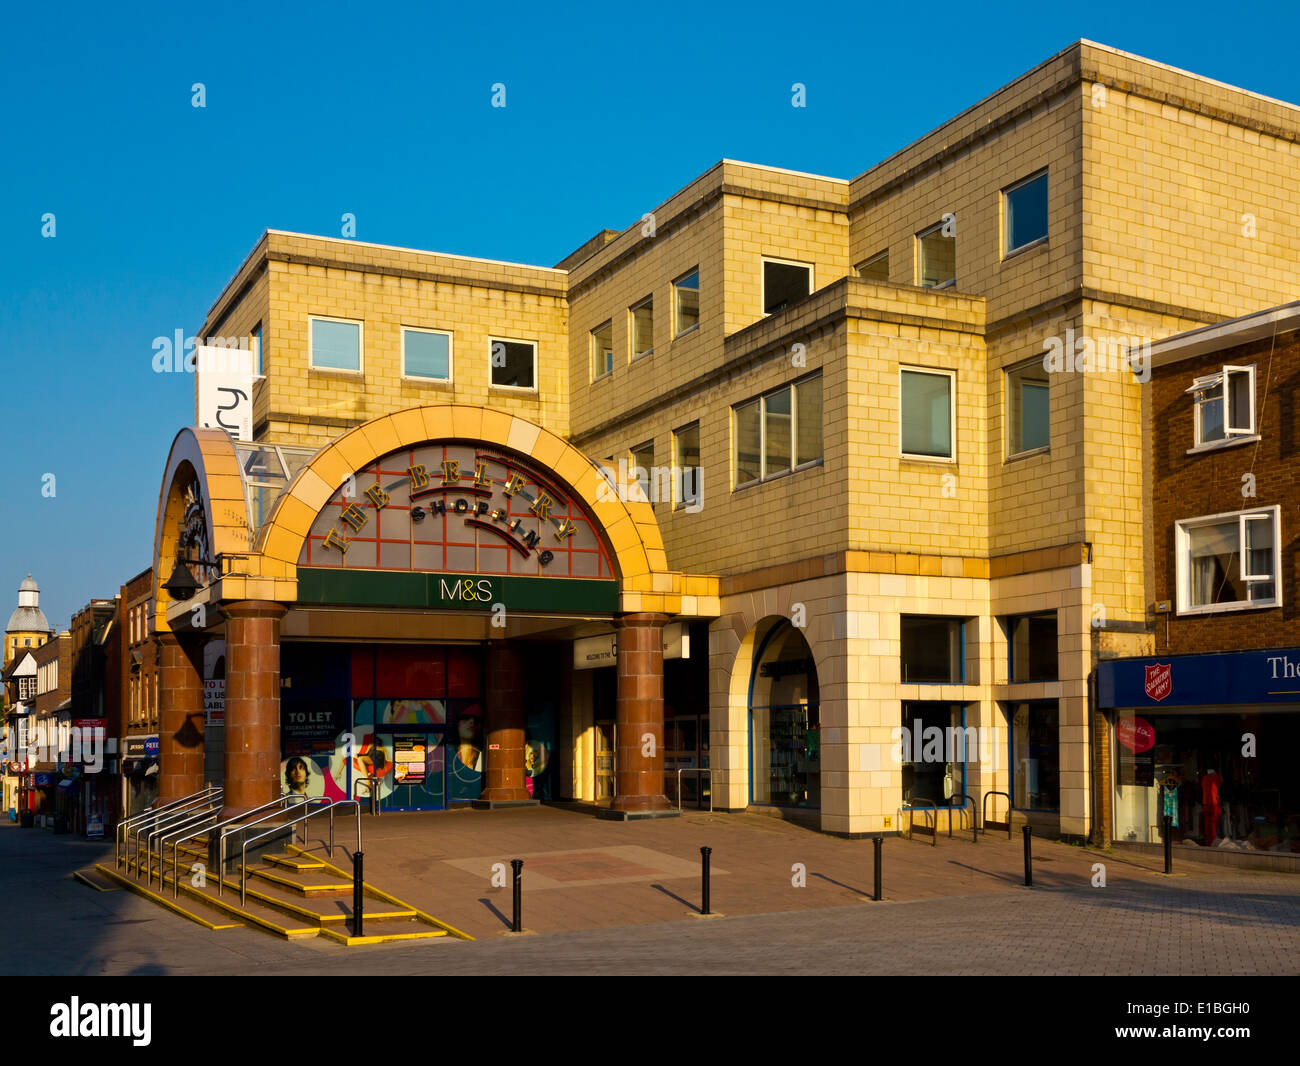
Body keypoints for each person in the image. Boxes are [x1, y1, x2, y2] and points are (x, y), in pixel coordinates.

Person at [1201, 768, 1224, 846]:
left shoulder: (1204, 779)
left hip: (1205, 802)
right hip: (1213, 803)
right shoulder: (1215, 777)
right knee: (1214, 823)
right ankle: (1213, 841)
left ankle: (1208, 841)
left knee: (1207, 824)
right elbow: (1220, 783)